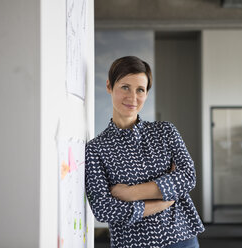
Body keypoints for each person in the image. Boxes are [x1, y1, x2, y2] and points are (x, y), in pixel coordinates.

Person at [85, 56, 205, 248]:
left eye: (140, 90)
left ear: (146, 93)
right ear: (109, 86)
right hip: (132, 242)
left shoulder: (165, 131)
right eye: (125, 87)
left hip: (180, 238)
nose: (132, 97)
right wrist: (163, 202)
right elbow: (103, 209)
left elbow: (188, 177)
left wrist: (130, 193)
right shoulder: (96, 148)